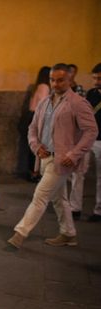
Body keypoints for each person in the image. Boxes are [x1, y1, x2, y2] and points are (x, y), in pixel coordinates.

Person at [7, 63, 98, 249]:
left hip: (62, 160)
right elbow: (32, 129)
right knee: (59, 199)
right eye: (52, 80)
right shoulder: (45, 102)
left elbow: (91, 131)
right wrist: (36, 146)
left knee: (40, 195)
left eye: (60, 80)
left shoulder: (78, 103)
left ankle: (19, 234)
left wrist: (74, 154)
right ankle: (68, 234)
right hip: (45, 158)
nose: (56, 84)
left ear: (70, 79)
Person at [69, 63, 101, 222]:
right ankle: (75, 208)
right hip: (86, 139)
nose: (96, 81)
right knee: (77, 172)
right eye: (94, 78)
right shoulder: (92, 93)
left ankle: (98, 211)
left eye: (99, 78)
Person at [17, 66, 51, 182]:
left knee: (30, 146)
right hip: (35, 117)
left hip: (29, 116)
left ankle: (31, 172)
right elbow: (43, 105)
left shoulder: (37, 86)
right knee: (36, 147)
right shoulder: (45, 87)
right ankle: (34, 173)